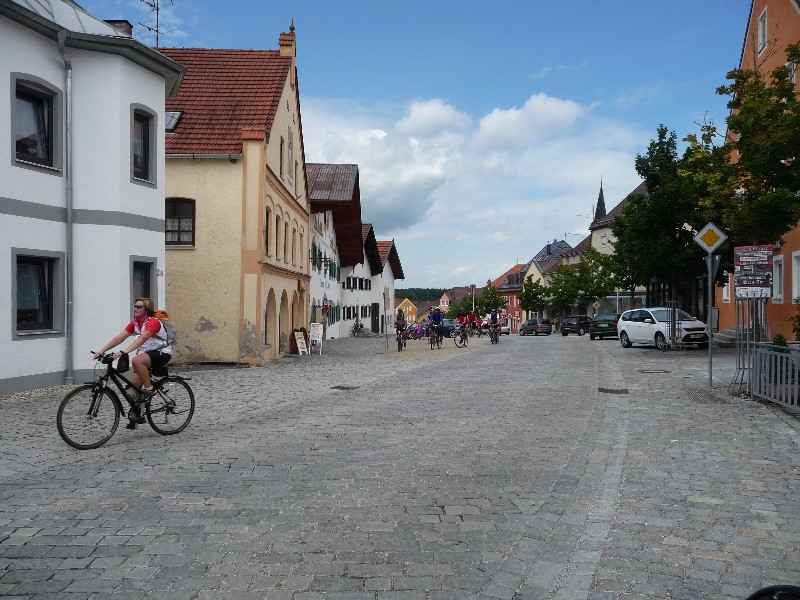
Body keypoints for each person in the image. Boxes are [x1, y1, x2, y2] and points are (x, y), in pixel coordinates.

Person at [93, 297, 172, 428]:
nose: (135, 308)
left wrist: (124, 352)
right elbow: (119, 338)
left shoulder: (153, 322)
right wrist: (101, 351)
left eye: (139, 307)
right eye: (135, 306)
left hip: (161, 353)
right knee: (132, 391)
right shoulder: (135, 323)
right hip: (147, 355)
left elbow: (142, 339)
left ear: (147, 310)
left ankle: (149, 389)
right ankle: (139, 415)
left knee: (136, 360)